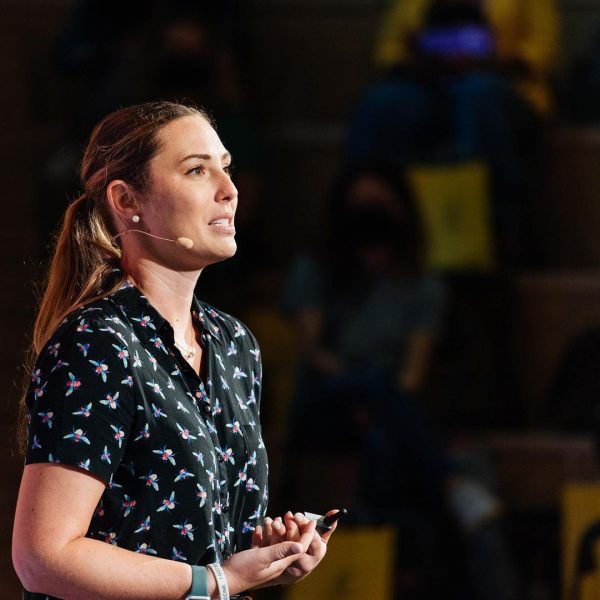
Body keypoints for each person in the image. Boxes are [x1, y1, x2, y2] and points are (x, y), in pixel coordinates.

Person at [12, 101, 337, 600]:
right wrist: (221, 580)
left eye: (225, 168)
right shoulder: (99, 344)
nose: (228, 190)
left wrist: (264, 557)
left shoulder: (234, 344)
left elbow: (184, 540)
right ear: (126, 199)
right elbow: (44, 557)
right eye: (196, 170)